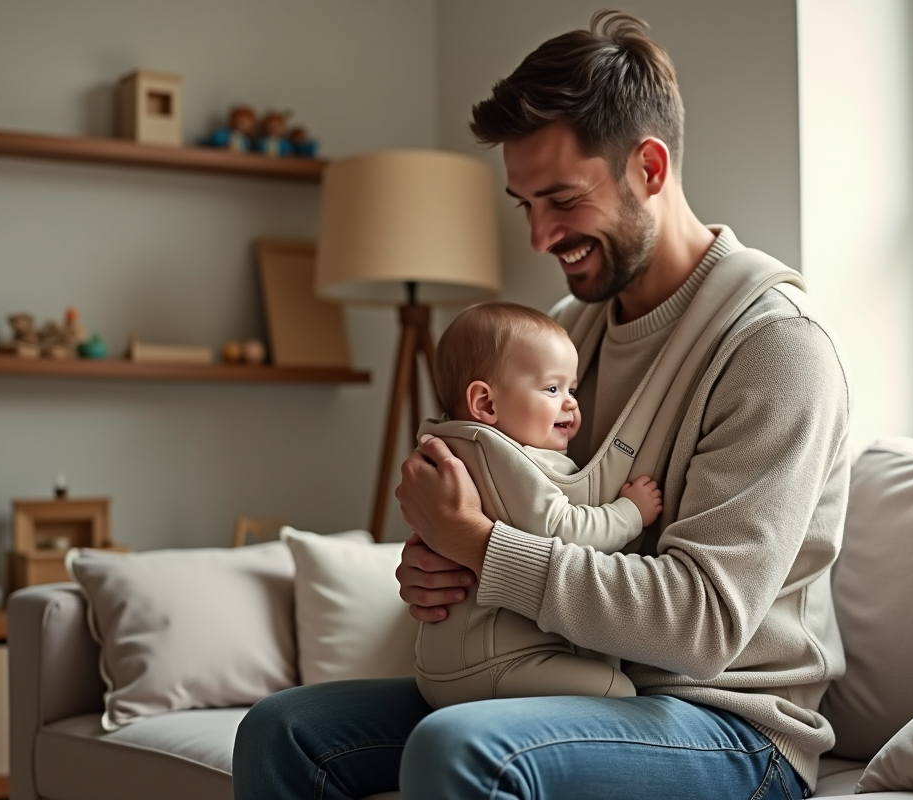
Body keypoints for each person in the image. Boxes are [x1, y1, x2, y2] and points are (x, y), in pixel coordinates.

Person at [233, 10, 850, 800]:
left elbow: (699, 627)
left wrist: (479, 548)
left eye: (561, 199)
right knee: (282, 731)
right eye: (524, 203)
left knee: (463, 749)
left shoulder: (776, 348)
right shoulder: (566, 333)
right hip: (557, 673)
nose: (538, 237)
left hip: (729, 726)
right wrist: (434, 564)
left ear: (649, 168)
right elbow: (507, 516)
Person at [414, 301, 661, 709]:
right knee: (618, 691)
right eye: (552, 389)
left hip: (443, 666)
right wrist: (630, 512)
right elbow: (564, 530)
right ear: (486, 404)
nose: (571, 403)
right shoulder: (506, 457)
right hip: (498, 664)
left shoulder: (451, 447)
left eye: (572, 390)